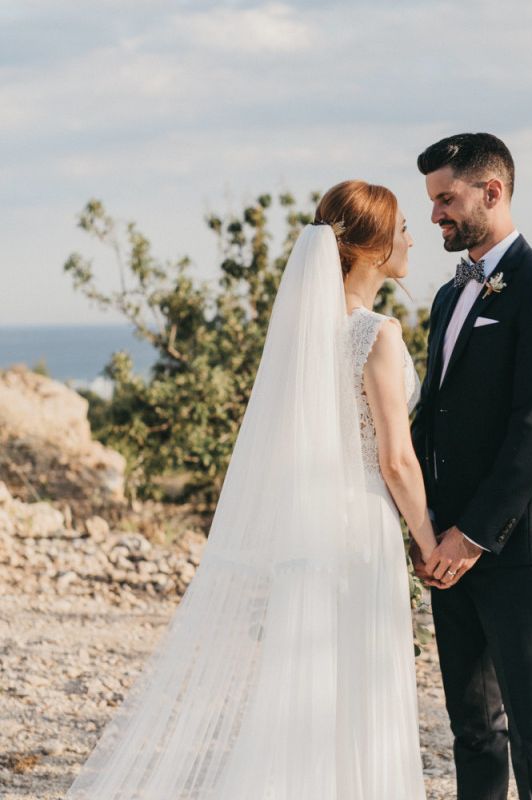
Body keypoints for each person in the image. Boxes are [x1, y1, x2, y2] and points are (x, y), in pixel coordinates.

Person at [64, 180, 434, 799]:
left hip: (315, 518)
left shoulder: (304, 333)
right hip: (365, 523)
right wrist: (426, 541)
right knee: (361, 677)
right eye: (401, 229)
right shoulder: (377, 333)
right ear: (371, 248)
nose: (411, 238)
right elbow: (396, 460)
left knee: (310, 678)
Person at [410, 133, 532, 800]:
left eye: (446, 199)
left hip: (513, 547)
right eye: (431, 202)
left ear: (493, 192)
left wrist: (474, 533)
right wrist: (423, 521)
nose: (435, 216)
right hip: (445, 545)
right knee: (472, 727)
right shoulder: (449, 298)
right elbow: (434, 415)